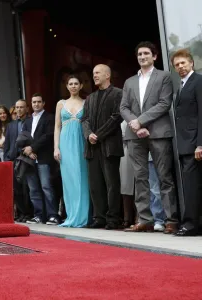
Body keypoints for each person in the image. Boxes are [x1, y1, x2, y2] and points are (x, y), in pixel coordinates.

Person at [120, 41, 178, 233]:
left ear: (154, 56)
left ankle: (171, 219)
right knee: (140, 178)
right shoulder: (129, 81)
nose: (142, 57)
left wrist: (141, 121)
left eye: (146, 53)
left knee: (164, 177)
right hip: (135, 135)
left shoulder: (164, 77)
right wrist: (136, 125)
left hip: (158, 133)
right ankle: (145, 219)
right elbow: (123, 107)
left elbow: (164, 103)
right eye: (139, 54)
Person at [81, 64, 123, 230]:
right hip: (92, 147)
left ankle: (113, 219)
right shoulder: (90, 98)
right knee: (95, 184)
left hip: (109, 146)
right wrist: (88, 134)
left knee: (112, 184)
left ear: (107, 75)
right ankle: (99, 217)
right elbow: (84, 119)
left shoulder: (118, 93)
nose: (94, 76)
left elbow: (117, 117)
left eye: (97, 73)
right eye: (93, 73)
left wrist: (98, 135)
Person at [171, 49, 202, 236]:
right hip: (185, 144)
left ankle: (190, 224)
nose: (180, 67)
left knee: (192, 186)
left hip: (194, 144)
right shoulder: (181, 86)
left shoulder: (198, 82)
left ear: (191, 63)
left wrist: (200, 143)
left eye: (183, 63)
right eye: (177, 65)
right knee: (193, 185)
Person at [54, 75, 90, 227]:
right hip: (65, 144)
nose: (73, 86)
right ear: (67, 86)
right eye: (71, 84)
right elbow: (57, 127)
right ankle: (71, 216)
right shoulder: (60, 104)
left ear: (81, 86)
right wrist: (56, 147)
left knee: (83, 178)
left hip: (81, 142)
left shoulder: (86, 102)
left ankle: (83, 217)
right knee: (68, 180)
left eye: (76, 83)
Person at [22, 93, 60, 225]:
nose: (36, 104)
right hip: (29, 160)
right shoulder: (27, 120)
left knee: (46, 187)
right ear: (31, 104)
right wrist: (27, 152)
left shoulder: (49, 118)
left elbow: (48, 136)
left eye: (39, 102)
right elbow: (22, 138)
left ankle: (53, 215)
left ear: (43, 103)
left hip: (44, 158)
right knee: (33, 189)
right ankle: (38, 215)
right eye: (34, 102)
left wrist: (32, 148)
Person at [4, 99, 33, 222]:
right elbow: (7, 143)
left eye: (22, 107)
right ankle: (21, 213)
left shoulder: (31, 122)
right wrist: (6, 158)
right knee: (16, 189)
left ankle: (29, 213)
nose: (19, 109)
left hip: (26, 159)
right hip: (13, 159)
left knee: (27, 188)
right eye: (17, 107)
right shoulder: (10, 125)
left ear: (26, 108)